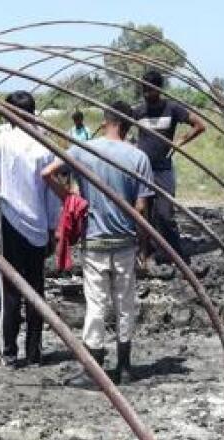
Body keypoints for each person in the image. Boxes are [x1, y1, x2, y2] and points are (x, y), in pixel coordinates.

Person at [43, 100, 154, 385]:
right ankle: (125, 367)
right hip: (126, 240)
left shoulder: (83, 149)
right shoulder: (138, 157)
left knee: (96, 303)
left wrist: (70, 200)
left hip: (94, 239)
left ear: (105, 122)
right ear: (128, 125)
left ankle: (95, 368)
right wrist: (143, 245)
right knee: (124, 302)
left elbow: (47, 173)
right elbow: (141, 207)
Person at [0, 91, 61, 368]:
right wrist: (52, 228)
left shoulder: (4, 140)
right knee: (36, 290)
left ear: (10, 113)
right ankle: (34, 352)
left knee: (9, 290)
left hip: (10, 222)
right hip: (37, 226)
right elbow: (52, 194)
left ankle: (9, 353)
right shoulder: (45, 144)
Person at [131, 70, 205, 265]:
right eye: (144, 89)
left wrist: (180, 142)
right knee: (142, 213)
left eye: (150, 90)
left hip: (163, 170)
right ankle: (144, 254)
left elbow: (199, 125)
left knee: (164, 213)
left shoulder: (172, 109)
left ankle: (177, 257)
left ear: (159, 89)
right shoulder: (138, 111)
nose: (147, 94)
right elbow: (119, 127)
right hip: (143, 170)